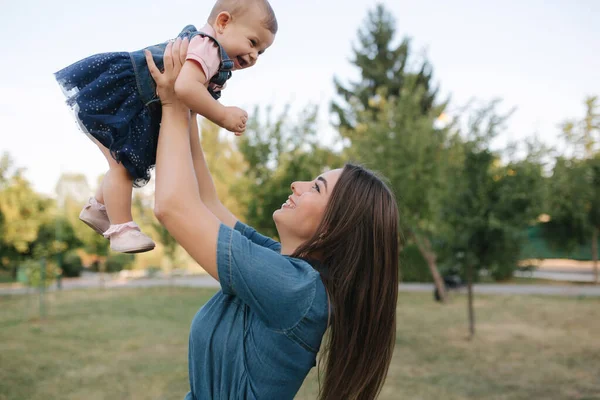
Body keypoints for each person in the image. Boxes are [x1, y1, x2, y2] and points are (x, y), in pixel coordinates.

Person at [147, 39, 400, 400]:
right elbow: (205, 202)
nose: (296, 185)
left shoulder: (296, 290)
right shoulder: (282, 265)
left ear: (335, 225)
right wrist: (190, 103)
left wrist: (171, 103)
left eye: (315, 187)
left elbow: (173, 206)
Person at [54, 0, 277, 253]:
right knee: (122, 166)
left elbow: (187, 97)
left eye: (261, 52)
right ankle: (122, 230)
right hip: (122, 102)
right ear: (223, 23)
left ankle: (98, 209)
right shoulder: (209, 47)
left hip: (132, 106)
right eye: (253, 42)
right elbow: (185, 88)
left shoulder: (207, 50)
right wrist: (223, 115)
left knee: (126, 163)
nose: (254, 56)